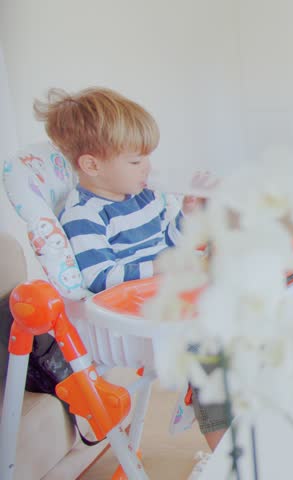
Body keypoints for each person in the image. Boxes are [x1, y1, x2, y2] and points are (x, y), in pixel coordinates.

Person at [34, 87, 227, 451]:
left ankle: (216, 403)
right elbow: (99, 277)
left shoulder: (144, 198)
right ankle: (224, 454)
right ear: (92, 165)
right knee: (213, 356)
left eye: (147, 158)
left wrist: (186, 216)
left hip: (161, 304)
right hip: (123, 327)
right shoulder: (84, 215)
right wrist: (162, 266)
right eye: (136, 161)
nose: (147, 168)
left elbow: (169, 244)